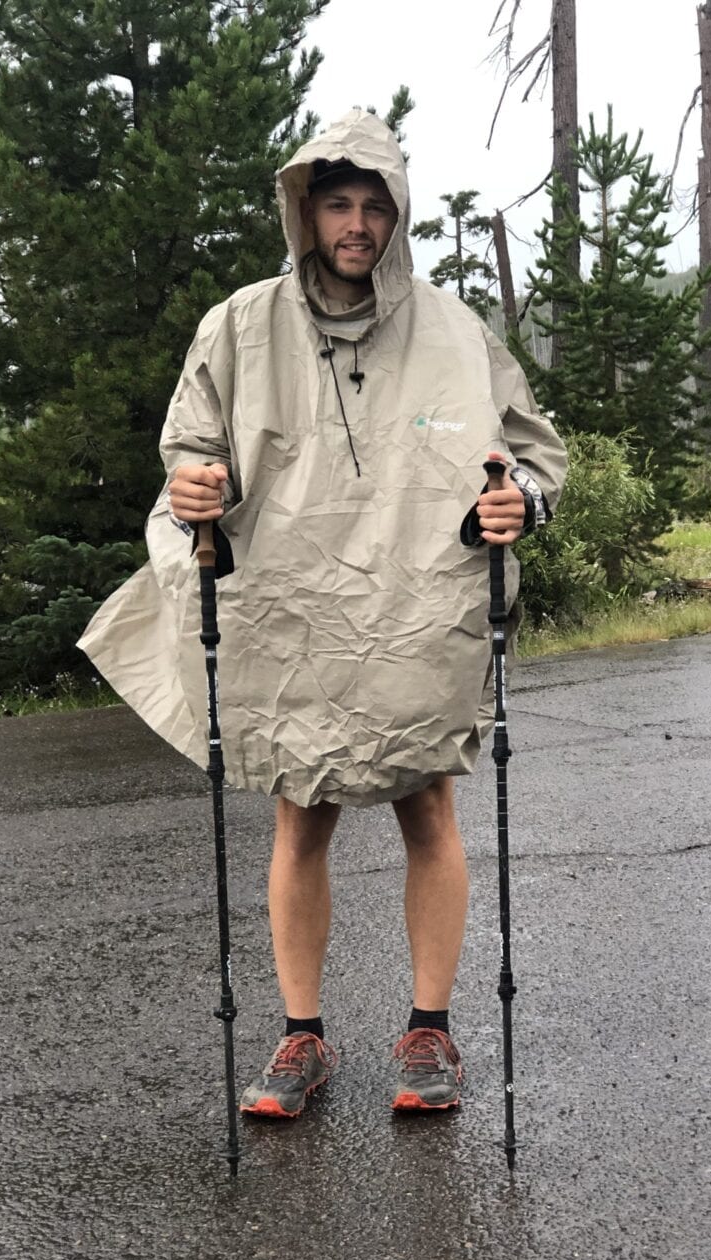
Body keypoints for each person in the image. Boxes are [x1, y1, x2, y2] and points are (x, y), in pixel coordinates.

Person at [79, 110, 567, 1118]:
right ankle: (302, 1035)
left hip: (417, 608)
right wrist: (194, 486)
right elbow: (191, 449)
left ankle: (429, 1030)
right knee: (301, 816)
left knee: (427, 807)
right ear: (304, 211)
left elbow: (533, 452)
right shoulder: (239, 326)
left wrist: (520, 499)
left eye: (374, 206)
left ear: (398, 215)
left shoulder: (454, 331)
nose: (356, 225)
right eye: (336, 204)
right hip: (294, 612)